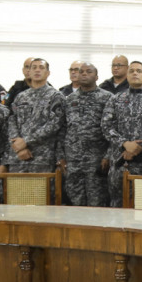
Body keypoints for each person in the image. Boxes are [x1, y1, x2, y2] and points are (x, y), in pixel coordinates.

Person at [101, 61, 142, 206]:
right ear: (127, 76)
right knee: (118, 205)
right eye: (132, 71)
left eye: (139, 71)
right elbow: (106, 125)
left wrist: (139, 148)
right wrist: (125, 143)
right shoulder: (115, 99)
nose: (135, 73)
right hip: (119, 160)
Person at [59, 63, 112, 207]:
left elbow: (112, 129)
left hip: (97, 159)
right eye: (81, 71)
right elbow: (63, 129)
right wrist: (61, 156)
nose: (83, 74)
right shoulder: (69, 99)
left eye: (88, 71)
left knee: (97, 202)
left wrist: (108, 155)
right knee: (75, 200)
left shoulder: (107, 98)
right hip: (73, 159)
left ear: (96, 76)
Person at [4, 58, 66, 173]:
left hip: (42, 158)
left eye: (41, 68)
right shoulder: (20, 97)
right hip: (18, 157)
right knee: (17, 190)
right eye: (34, 67)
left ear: (48, 73)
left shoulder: (56, 96)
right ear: (29, 72)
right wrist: (18, 146)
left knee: (42, 191)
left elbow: (54, 125)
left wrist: (26, 141)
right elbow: (12, 120)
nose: (37, 70)